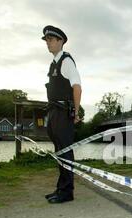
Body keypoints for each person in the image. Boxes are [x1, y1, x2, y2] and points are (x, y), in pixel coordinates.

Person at [42, 25, 82, 204]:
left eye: (51, 40)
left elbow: (77, 87)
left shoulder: (66, 61)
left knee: (65, 152)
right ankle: (61, 188)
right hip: (54, 112)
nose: (48, 43)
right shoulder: (54, 64)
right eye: (46, 40)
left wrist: (75, 112)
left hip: (63, 113)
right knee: (60, 152)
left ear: (60, 41)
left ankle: (67, 192)